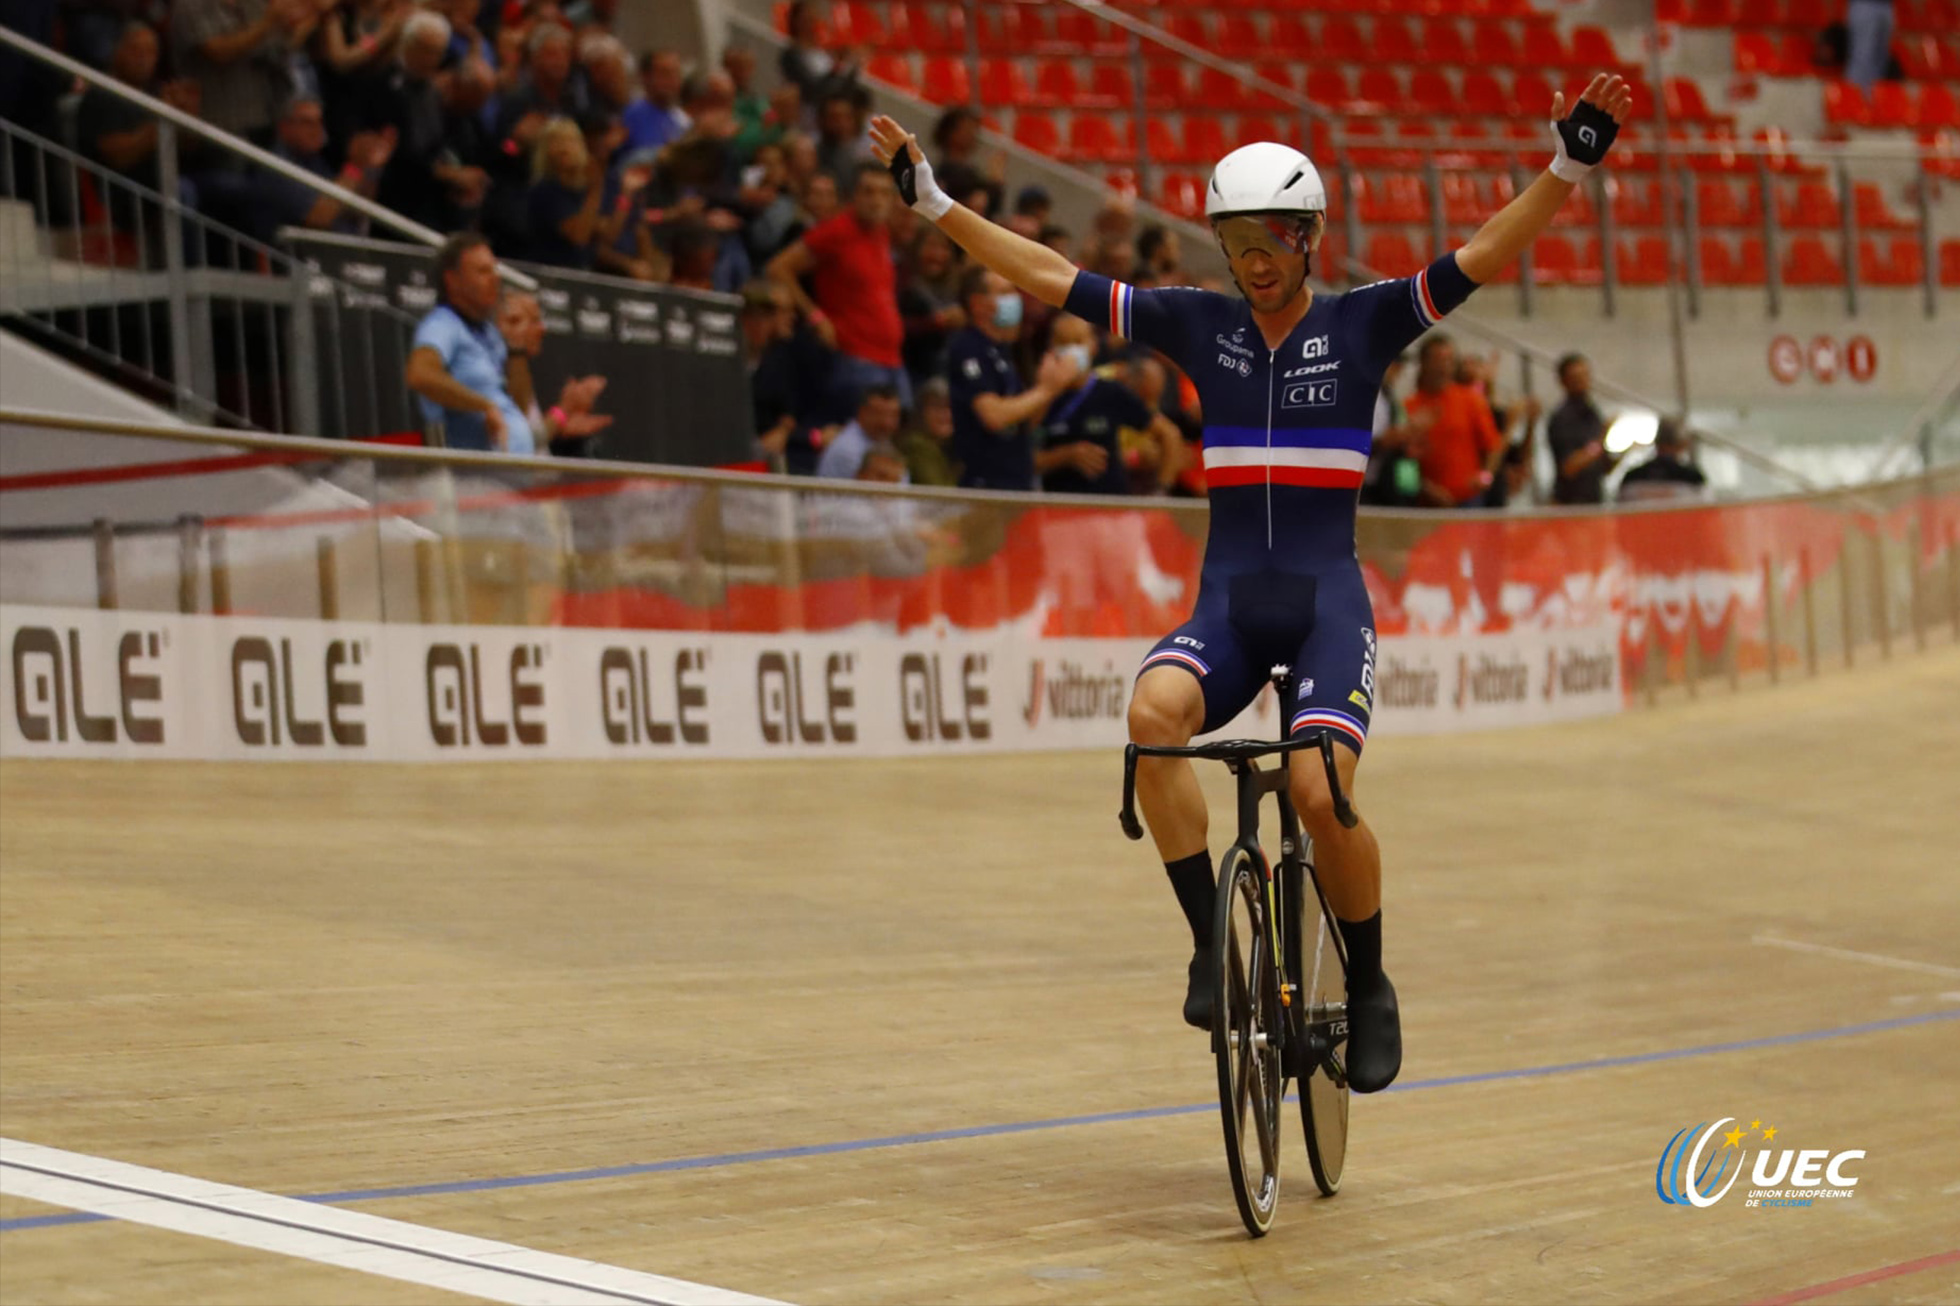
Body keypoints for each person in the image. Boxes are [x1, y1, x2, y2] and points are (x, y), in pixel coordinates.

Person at [870, 68, 1634, 1093]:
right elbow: (1054, 278)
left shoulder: (1363, 324)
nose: (1248, 264)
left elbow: (1481, 255)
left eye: (1263, 245)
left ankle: (1368, 984)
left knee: (1320, 793)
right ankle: (1206, 947)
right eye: (1232, 247)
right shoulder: (1197, 325)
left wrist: (1564, 168)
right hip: (1228, 608)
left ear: (1306, 238)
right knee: (1149, 718)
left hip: (1325, 608)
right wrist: (935, 205)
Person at [766, 162, 910, 416]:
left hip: (891, 357)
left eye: (884, 193)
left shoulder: (882, 232)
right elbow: (778, 268)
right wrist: (815, 316)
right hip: (854, 356)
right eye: (868, 191)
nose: (877, 200)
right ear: (853, 195)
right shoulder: (837, 231)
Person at [944, 264, 1073, 491]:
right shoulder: (968, 347)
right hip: (987, 485)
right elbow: (993, 416)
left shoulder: (1003, 351)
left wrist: (1051, 386)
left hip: (1016, 481)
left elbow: (1023, 423)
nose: (1015, 300)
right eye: (1005, 293)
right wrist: (1046, 390)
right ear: (978, 304)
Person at [404, 232, 531, 453]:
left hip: (513, 473)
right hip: (472, 478)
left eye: (494, 270)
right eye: (483, 271)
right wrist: (483, 406)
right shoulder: (442, 324)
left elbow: (518, 411)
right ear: (452, 281)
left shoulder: (490, 332)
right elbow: (420, 374)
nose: (495, 278)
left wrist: (517, 349)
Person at [1035, 316, 1181, 496]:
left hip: (1109, 507)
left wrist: (1161, 492)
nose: (1072, 350)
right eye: (1063, 342)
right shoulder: (1040, 396)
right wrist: (1065, 456)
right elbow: (1023, 459)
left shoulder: (1111, 392)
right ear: (1051, 346)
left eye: (1078, 341)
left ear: (1093, 346)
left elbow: (1169, 435)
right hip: (1056, 508)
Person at [498, 290, 612, 456]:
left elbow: (531, 438)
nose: (542, 329)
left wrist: (561, 429)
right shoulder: (492, 376)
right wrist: (563, 411)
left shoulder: (520, 370)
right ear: (506, 324)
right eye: (533, 321)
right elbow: (516, 444)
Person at [1406, 335, 1505, 507]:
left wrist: (1485, 477)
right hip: (1427, 503)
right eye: (1438, 360)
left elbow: (1493, 446)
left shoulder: (1470, 399)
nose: (1444, 366)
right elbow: (1404, 461)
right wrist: (1425, 488)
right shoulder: (1409, 406)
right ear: (1423, 363)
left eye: (1449, 360)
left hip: (1469, 499)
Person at [1546, 352, 1622, 505]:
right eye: (1575, 377)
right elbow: (1569, 467)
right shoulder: (1562, 418)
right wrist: (1601, 439)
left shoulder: (1592, 413)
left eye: (1585, 375)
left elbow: (1603, 467)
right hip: (1570, 503)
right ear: (1563, 381)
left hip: (1593, 499)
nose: (1581, 382)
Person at [816, 384, 904, 479]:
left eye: (893, 415)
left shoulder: (883, 441)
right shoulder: (847, 449)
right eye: (879, 414)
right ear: (862, 412)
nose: (887, 423)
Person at [1617, 418, 1708, 502]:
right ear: (1683, 445)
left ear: (1655, 442)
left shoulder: (1632, 477)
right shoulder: (1693, 479)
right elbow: (1707, 511)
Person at [895, 378, 960, 486]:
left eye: (950, 407)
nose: (946, 415)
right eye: (937, 407)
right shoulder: (916, 445)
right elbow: (939, 494)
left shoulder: (953, 446)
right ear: (920, 413)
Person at [1842, 0, 1896, 94]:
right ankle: (1854, 100)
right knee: (1862, 57)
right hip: (1864, 5)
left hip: (1886, 5)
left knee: (1880, 61)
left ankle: (1872, 100)